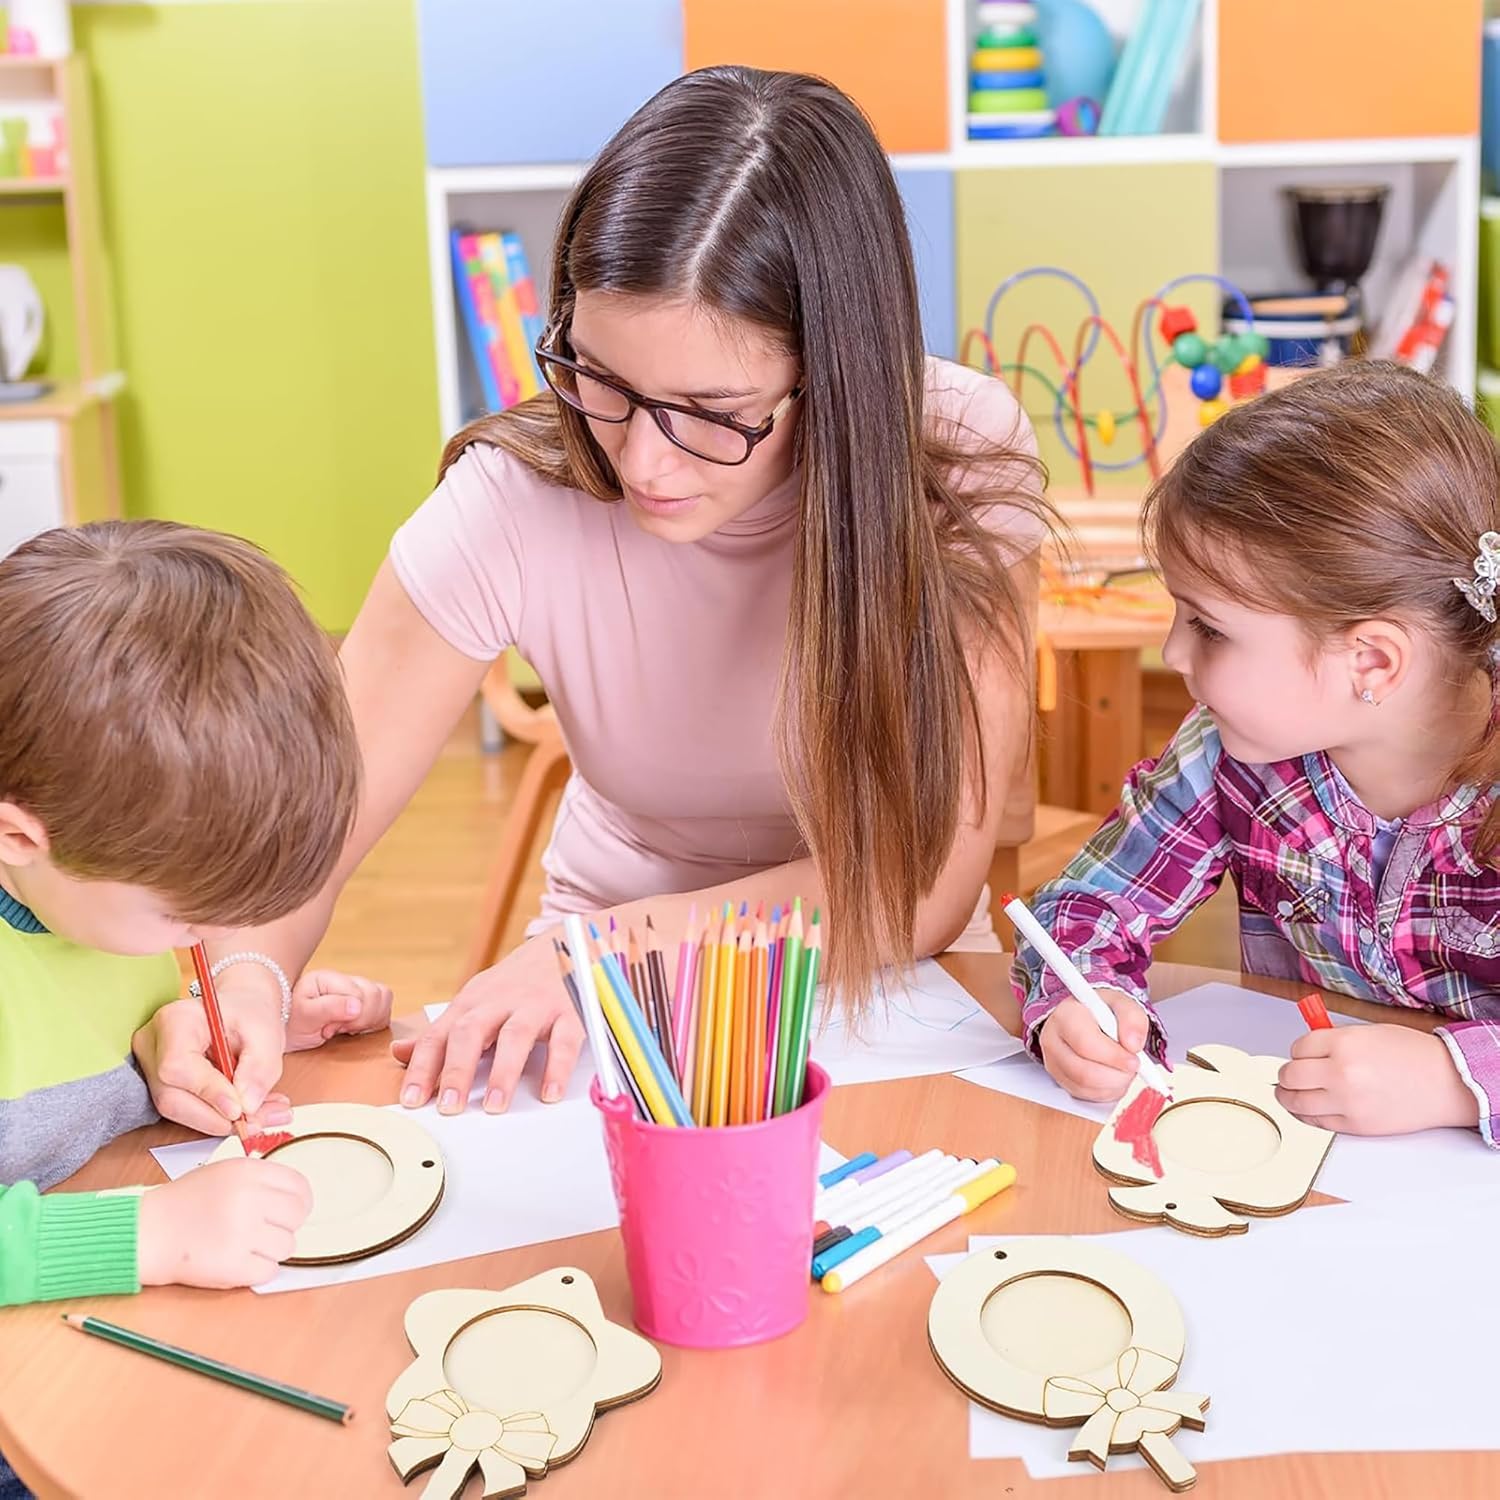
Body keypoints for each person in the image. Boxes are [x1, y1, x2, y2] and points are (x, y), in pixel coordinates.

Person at [203, 65, 1048, 1122]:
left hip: (863, 981)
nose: (643, 461)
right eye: (601, 380)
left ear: (837, 372)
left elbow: (918, 889)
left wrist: (596, 950)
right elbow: (301, 828)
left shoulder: (955, 457)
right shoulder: (512, 498)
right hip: (595, 982)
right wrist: (245, 981)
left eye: (712, 410)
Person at [1016, 361, 1500, 1145]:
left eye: (1209, 627)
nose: (1172, 653)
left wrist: (1453, 1079)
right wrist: (1081, 1002)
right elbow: (1081, 910)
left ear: (1371, 662)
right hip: (1304, 1177)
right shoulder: (1228, 751)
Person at [0, 522, 389, 1495]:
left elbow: (63, 1059)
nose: (203, 939)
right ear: (18, 835)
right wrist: (156, 1236)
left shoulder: (85, 882)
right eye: (188, 917)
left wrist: (168, 1040)